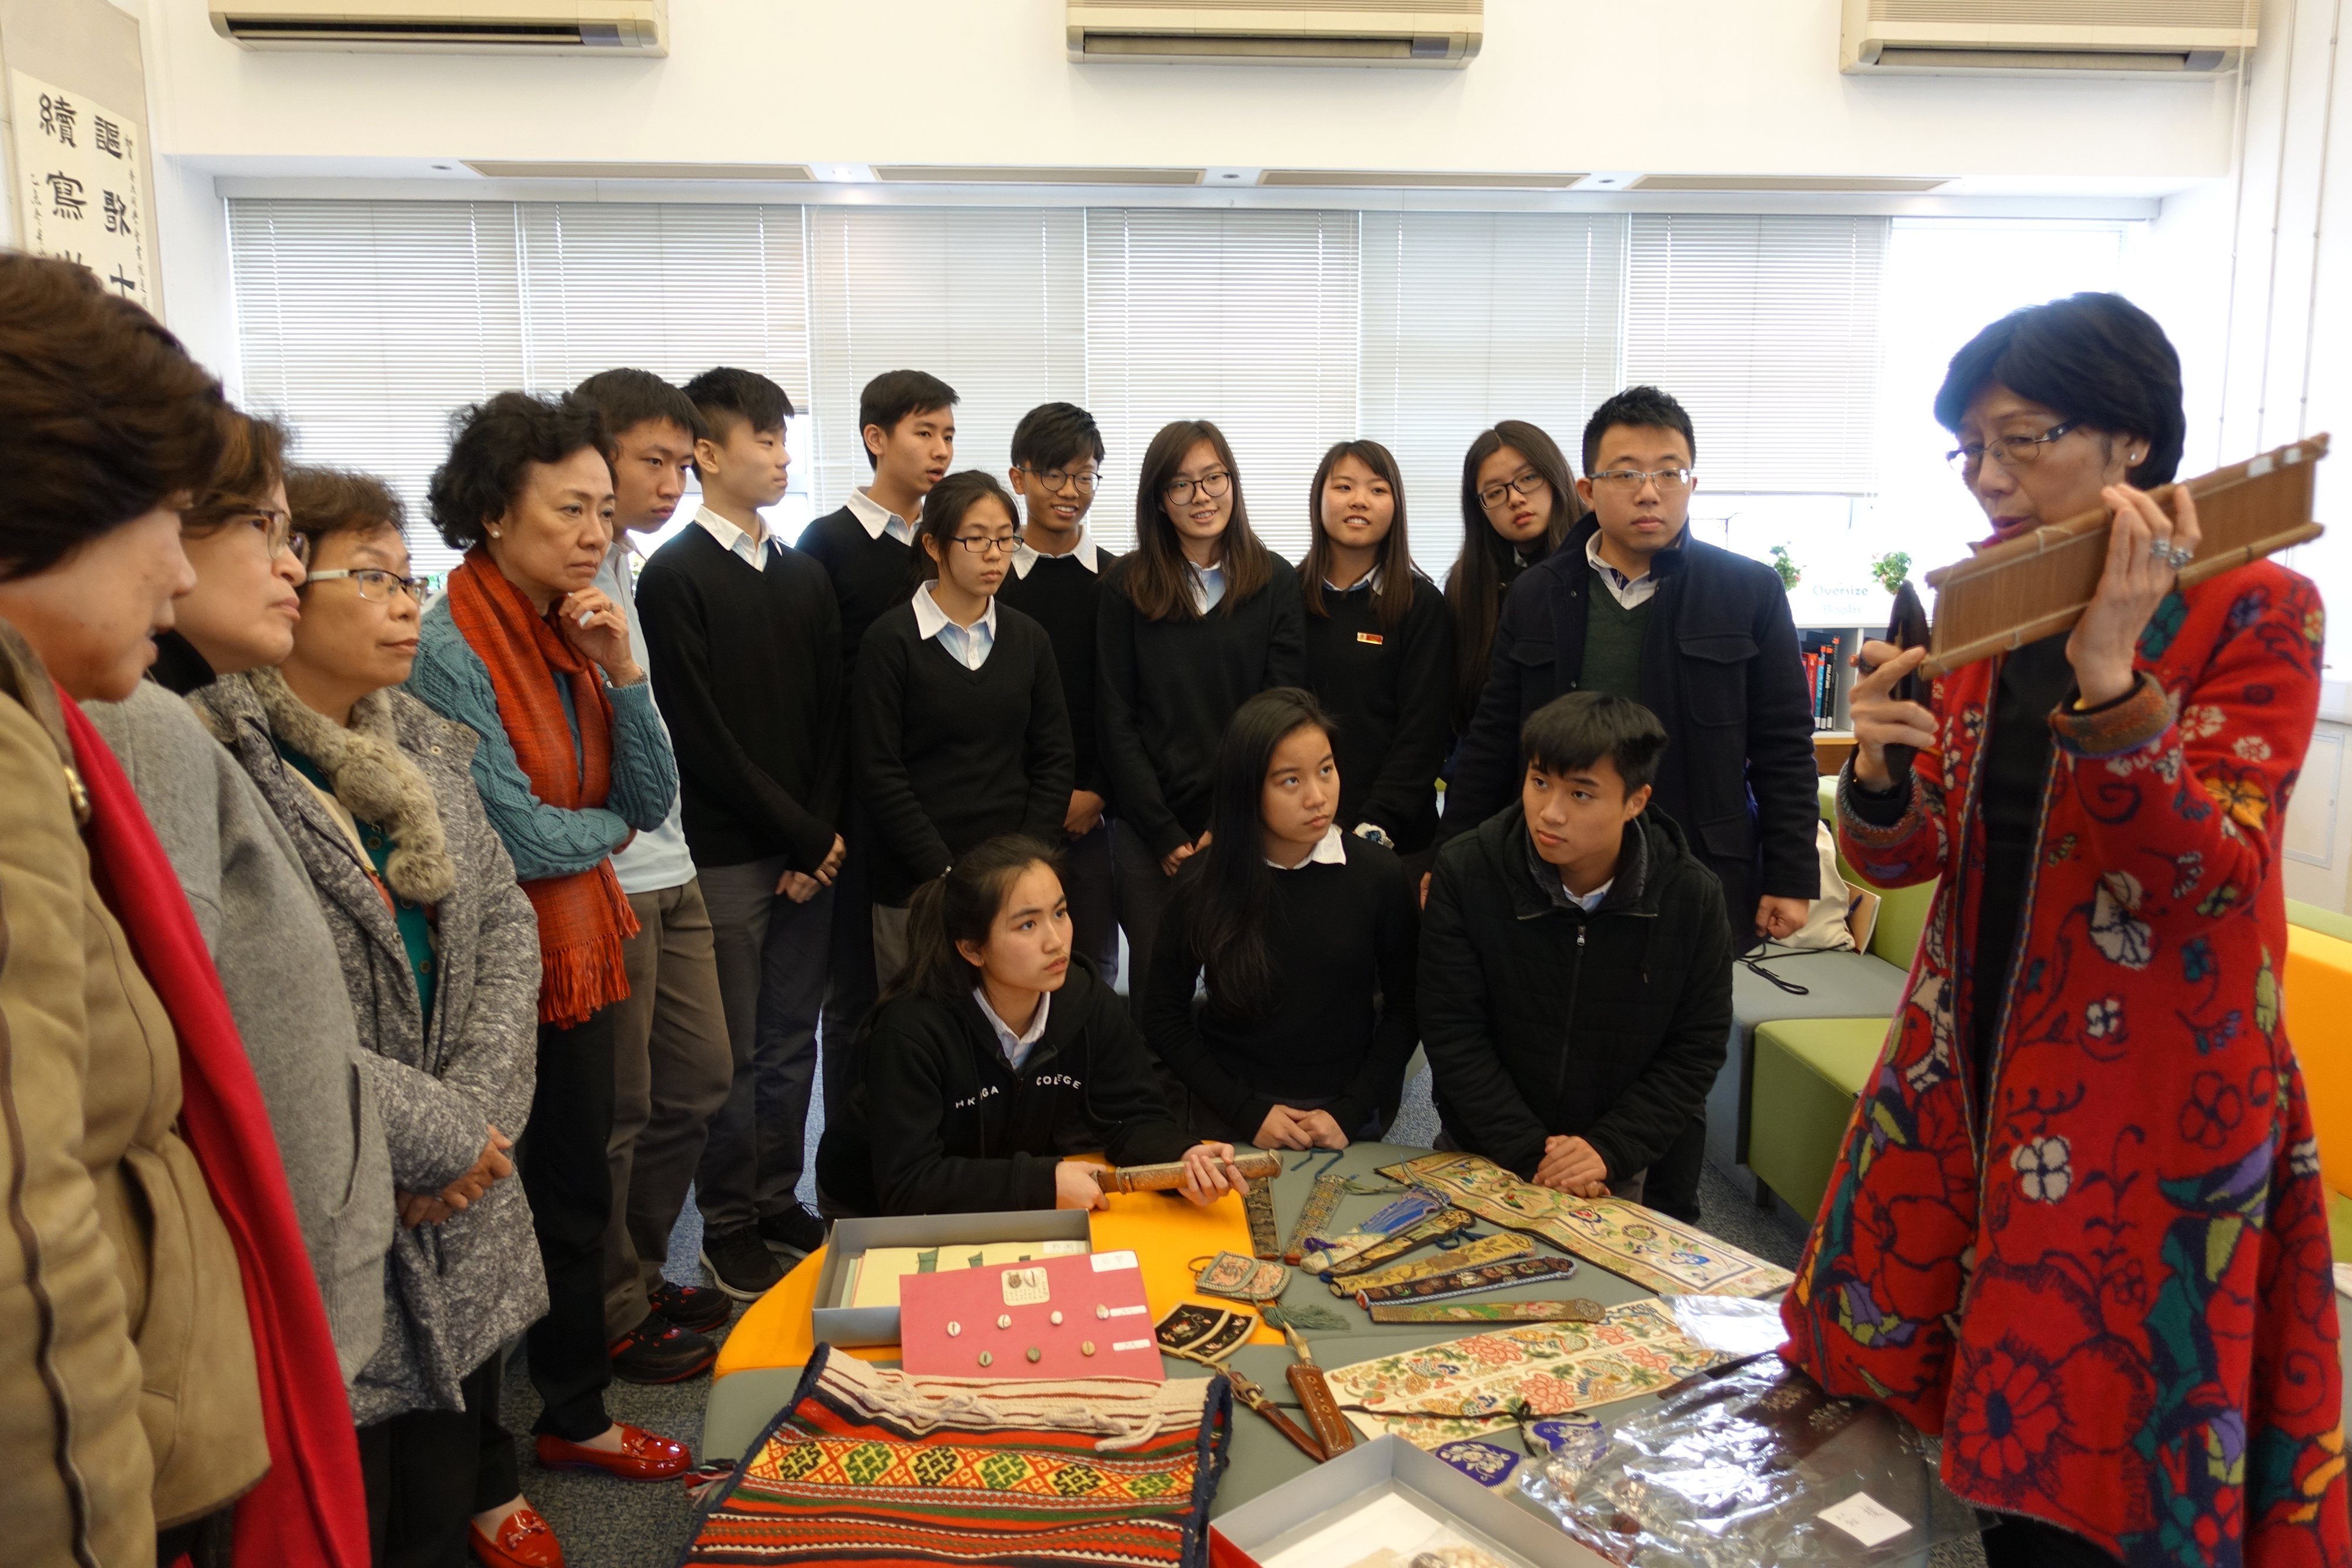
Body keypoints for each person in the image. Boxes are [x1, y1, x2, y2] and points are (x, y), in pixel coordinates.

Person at [1783, 294, 2347, 1567]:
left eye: (2017, 439)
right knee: (1958, 1435)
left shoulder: (2257, 608)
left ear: (2129, 441)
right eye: (1968, 449)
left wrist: (2110, 678)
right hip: (1967, 1065)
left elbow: (2206, 881)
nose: (1987, 477)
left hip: (2146, 1108)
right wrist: (1875, 775)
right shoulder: (1994, 610)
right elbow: (1915, 854)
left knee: (2111, 1456)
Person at [0, 252, 363, 1567]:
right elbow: (27, 1245)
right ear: (55, 504)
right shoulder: (59, 743)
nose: (176, 569)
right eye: (173, 514)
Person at [187, 467, 558, 1568]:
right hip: (341, 1182)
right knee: (352, 1502)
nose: (408, 604)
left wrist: (476, 1132)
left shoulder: (426, 749)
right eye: (377, 578)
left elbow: (503, 938)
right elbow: (258, 1011)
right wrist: (437, 1140)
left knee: (443, 1489)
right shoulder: (224, 760)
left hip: (458, 1192)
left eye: (411, 578)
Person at [1444, 386, 1819, 1224]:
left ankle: (1665, 1218)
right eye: (1625, 472)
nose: (1648, 490)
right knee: (1538, 1034)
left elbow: (1785, 742)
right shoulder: (1542, 592)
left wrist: (1790, 871)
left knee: (1669, 1059)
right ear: (1587, 489)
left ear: (1691, 481)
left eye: (1668, 471)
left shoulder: (1747, 590)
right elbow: (1496, 734)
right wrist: (1452, 857)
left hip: (1693, 875)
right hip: (1550, 866)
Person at [407, 392, 693, 1487]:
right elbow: (516, 835)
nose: (597, 533)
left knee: (576, 1193)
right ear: (491, 514)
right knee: (478, 1219)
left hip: (573, 950)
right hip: (488, 971)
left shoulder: (576, 623)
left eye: (603, 511)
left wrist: (625, 673)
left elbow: (654, 794)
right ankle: (483, 1474)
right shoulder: (450, 644)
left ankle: (576, 1411)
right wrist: (605, 823)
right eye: (571, 509)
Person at [83, 408, 396, 1389]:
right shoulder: (144, 725)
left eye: (292, 535)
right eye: (262, 528)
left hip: (299, 1245)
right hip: (239, 1282)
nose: (291, 565)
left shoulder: (203, 714)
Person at [637, 366, 840, 1298]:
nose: (782, 456)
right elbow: (701, 738)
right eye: (765, 440)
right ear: (709, 455)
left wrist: (820, 837)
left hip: (810, 855)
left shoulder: (803, 573)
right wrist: (802, 834)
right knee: (734, 1050)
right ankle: (727, 1222)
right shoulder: (675, 576)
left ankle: (777, 1197)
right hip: (726, 854)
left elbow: (834, 716)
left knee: (795, 1036)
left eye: (784, 439)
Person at [570, 369, 734, 1381]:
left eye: (683, 461)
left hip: (678, 864)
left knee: (700, 1081)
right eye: (653, 461)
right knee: (620, 1108)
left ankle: (632, 1260)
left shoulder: (634, 568)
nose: (673, 481)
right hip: (612, 880)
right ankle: (612, 1303)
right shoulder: (567, 584)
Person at [816, 835, 1246, 1216]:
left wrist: (1182, 1158)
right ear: (972, 949)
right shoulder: (912, 1028)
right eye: (1027, 924)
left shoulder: (1085, 997)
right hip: (873, 1203)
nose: (1055, 940)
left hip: (998, 1197)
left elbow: (1135, 1118)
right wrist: (1042, 1183)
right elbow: (908, 1185)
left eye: (1060, 913)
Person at [1419, 692, 1732, 1206]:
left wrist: (1607, 1148)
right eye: (1539, 782)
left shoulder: (1691, 896)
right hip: (1482, 1149)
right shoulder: (1468, 870)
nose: (1551, 813)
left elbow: (1695, 1049)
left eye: (1581, 795)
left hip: (1610, 1164)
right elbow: (1452, 1030)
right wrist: (1534, 1155)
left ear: (1636, 801)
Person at [1142, 688, 1418, 1146]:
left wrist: (1350, 1110)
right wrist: (1246, 1112)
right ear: (1247, 788)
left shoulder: (1378, 875)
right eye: (1291, 781)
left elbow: (1408, 1007)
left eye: (1326, 770)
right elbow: (1163, 1015)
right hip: (1233, 1111)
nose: (1318, 797)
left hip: (1344, 1111)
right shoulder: (1202, 881)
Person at [1097, 420, 1307, 1007]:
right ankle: (1154, 1100)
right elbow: (1115, 717)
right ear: (1159, 501)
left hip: (1245, 819)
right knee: (1155, 989)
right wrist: (1163, 830)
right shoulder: (1126, 587)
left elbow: (1281, 710)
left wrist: (1230, 819)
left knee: (1243, 982)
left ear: (1233, 485)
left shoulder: (1274, 580)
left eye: (1213, 478)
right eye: (1181, 485)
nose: (1201, 497)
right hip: (1149, 828)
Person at [803, 369, 958, 1117]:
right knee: (859, 997)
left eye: (949, 436)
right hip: (863, 806)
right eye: (924, 433)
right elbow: (819, 691)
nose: (940, 450)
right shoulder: (829, 543)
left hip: (947, 798)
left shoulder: (949, 538)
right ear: (876, 438)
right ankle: (848, 1176)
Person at [853, 470, 1075, 984]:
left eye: (1005, 539)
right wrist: (949, 875)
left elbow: (1054, 757)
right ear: (933, 544)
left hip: (1014, 881)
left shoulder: (1029, 638)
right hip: (917, 884)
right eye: (976, 538)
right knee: (919, 1028)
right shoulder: (890, 641)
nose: (995, 554)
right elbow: (879, 772)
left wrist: (1023, 871)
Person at [997, 402, 1123, 986]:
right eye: (1053, 473)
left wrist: (1096, 789)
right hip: (1007, 810)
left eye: (1085, 474)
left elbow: (1127, 699)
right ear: (1019, 477)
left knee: (1090, 965)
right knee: (1006, 966)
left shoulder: (1119, 579)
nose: (1070, 490)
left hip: (1092, 815)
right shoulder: (991, 579)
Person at [1299, 438, 1455, 868]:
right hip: (1298, 832)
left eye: (1377, 489)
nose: (1360, 501)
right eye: (1344, 487)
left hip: (1393, 841)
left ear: (1396, 505)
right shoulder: (1286, 596)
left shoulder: (1421, 605)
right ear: (1320, 499)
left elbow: (1423, 735)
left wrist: (1372, 828)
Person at [1442, 420, 1580, 737]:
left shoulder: (1599, 561)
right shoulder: (1466, 584)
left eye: (1528, 478)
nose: (1515, 499)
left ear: (1556, 476)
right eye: (1495, 492)